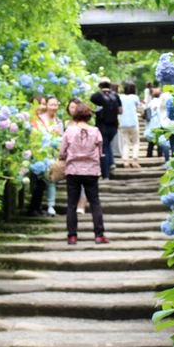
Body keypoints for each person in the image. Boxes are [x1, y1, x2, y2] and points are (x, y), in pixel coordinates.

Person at [59, 103, 108, 245]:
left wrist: (66, 157)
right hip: (91, 171)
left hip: (73, 170)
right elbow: (100, 151)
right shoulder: (95, 131)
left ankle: (72, 236)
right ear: (89, 116)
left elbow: (62, 151)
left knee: (71, 204)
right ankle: (99, 235)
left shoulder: (69, 131)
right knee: (95, 203)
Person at [89, 78, 121, 179]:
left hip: (102, 125)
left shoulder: (97, 95)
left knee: (104, 148)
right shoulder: (116, 95)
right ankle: (111, 163)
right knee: (107, 146)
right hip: (114, 125)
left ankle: (106, 174)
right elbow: (120, 110)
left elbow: (91, 101)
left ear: (100, 86)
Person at [38, 95, 63, 216]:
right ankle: (40, 205)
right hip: (41, 153)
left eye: (55, 104)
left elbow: (63, 138)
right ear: (46, 105)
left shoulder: (59, 121)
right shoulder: (40, 119)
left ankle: (50, 205)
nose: (53, 107)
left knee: (51, 180)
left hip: (54, 154)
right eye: (51, 104)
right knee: (43, 180)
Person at [64, 98, 88, 215]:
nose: (73, 109)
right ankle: (74, 205)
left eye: (75, 107)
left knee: (82, 182)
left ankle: (81, 205)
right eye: (71, 107)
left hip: (83, 157)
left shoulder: (86, 125)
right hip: (70, 157)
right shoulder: (65, 123)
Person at [27, 95, 48, 217]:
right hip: (33, 155)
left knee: (41, 183)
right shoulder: (29, 119)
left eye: (44, 104)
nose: (42, 106)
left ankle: (37, 207)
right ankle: (33, 208)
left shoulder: (42, 119)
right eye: (40, 103)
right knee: (36, 183)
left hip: (42, 154)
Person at [118, 82, 142, 168]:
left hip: (123, 123)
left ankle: (126, 162)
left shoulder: (120, 97)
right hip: (133, 123)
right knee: (136, 142)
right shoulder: (135, 97)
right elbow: (140, 109)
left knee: (125, 143)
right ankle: (135, 161)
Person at [145, 87, 163, 158]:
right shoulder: (161, 102)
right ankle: (160, 153)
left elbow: (147, 112)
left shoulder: (151, 102)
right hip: (159, 121)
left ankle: (149, 154)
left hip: (152, 122)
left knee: (151, 140)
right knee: (159, 139)